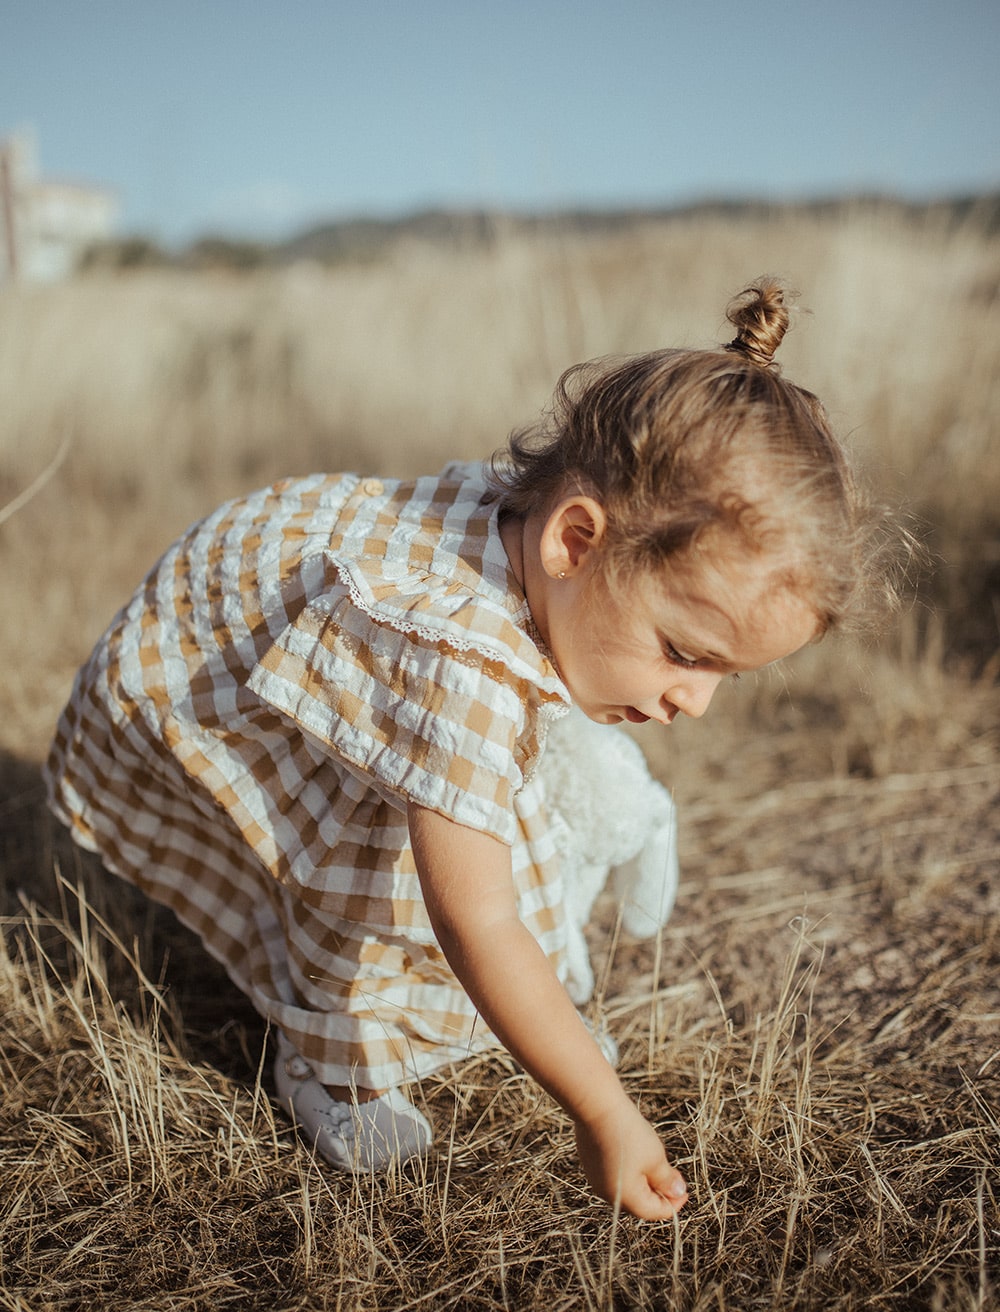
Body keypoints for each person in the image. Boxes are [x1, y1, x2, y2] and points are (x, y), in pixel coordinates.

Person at [44, 279, 901, 1222]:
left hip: (262, 614)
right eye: (684, 654)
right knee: (376, 869)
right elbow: (478, 923)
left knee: (473, 795)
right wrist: (600, 1109)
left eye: (723, 676)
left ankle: (486, 1018)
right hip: (195, 682)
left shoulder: (532, 539)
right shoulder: (454, 660)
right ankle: (334, 1062)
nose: (693, 702)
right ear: (577, 540)